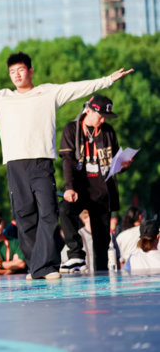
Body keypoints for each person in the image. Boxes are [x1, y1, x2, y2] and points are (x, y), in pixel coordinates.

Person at [0, 52, 133, 279]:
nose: (16, 75)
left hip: (42, 163)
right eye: (12, 72)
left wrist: (108, 80)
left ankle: (48, 266)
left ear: (31, 71)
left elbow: (78, 88)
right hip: (15, 165)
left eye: (21, 70)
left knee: (49, 214)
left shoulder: (49, 93)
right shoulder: (1, 98)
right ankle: (36, 267)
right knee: (25, 217)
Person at [59, 95, 131, 272]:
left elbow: (114, 162)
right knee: (64, 209)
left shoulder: (108, 131)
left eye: (105, 117)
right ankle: (76, 254)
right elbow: (67, 160)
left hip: (102, 191)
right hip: (80, 189)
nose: (103, 119)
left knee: (101, 242)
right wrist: (69, 188)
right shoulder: (72, 128)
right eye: (100, 115)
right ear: (88, 110)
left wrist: (123, 165)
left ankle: (101, 280)